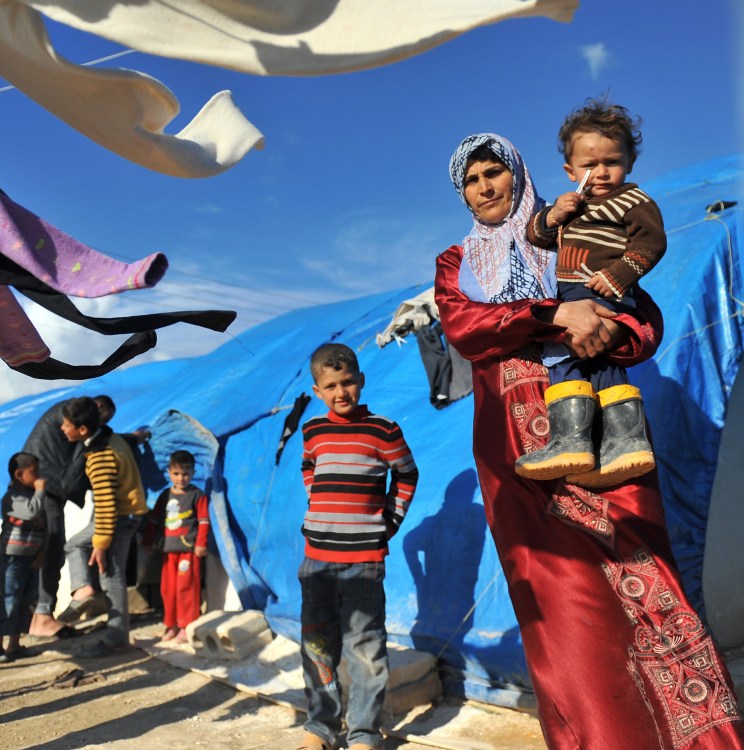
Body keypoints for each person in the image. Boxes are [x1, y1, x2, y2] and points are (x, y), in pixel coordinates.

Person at [435, 132, 743, 749]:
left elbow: (644, 320)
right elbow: (466, 328)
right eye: (471, 180)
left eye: (494, 172)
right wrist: (554, 316)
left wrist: (600, 322)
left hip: (606, 447)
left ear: (518, 173)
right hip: (514, 459)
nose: (485, 187)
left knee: (647, 586)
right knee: (561, 610)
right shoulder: (459, 260)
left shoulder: (574, 228)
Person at [517, 98, 665, 487]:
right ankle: (623, 442)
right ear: (570, 171)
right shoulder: (574, 206)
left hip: (603, 290)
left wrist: (618, 275)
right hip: (574, 294)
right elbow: (538, 238)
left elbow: (651, 244)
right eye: (589, 164)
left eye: (611, 162)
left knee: (565, 354)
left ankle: (572, 440)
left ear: (629, 164)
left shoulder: (634, 201)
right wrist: (550, 217)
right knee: (597, 362)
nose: (600, 172)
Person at [295, 343, 418, 750]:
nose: (340, 392)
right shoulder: (312, 430)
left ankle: (364, 732)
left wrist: (389, 523)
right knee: (317, 643)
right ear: (317, 390)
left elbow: (407, 474)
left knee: (364, 647)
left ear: (361, 380)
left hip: (364, 559)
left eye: (348, 382)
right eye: (330, 385)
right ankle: (321, 727)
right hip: (317, 559)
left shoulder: (383, 430)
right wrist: (319, 506)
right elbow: (309, 466)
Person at [56, 397, 148, 657]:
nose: (63, 428)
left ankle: (116, 638)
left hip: (118, 518)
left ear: (82, 430)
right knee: (79, 547)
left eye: (66, 425)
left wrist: (100, 543)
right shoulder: (112, 439)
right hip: (125, 515)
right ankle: (86, 591)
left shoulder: (99, 457)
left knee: (111, 576)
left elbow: (106, 505)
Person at [21, 400, 88, 639]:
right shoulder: (69, 420)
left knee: (46, 550)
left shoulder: (56, 417)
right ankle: (42, 616)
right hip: (47, 486)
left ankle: (36, 615)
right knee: (52, 550)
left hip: (42, 485)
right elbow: (82, 456)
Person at [141, 450, 210, 643]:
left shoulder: (197, 495)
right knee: (168, 589)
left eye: (186, 473)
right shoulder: (165, 495)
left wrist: (201, 544)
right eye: (177, 473)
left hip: (188, 551)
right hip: (168, 551)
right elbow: (154, 521)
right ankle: (170, 624)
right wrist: (148, 541)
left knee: (185, 588)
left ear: (193, 473)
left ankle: (185, 626)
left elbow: (204, 521)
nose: (181, 478)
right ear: (169, 473)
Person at [0, 452, 46, 664]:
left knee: (27, 600)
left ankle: (14, 645)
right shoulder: (13, 498)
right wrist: (41, 492)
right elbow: (32, 513)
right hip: (13, 558)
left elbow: (45, 527)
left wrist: (42, 554)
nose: (39, 476)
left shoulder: (34, 496)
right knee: (9, 599)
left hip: (32, 558)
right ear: (19, 474)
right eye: (35, 472)